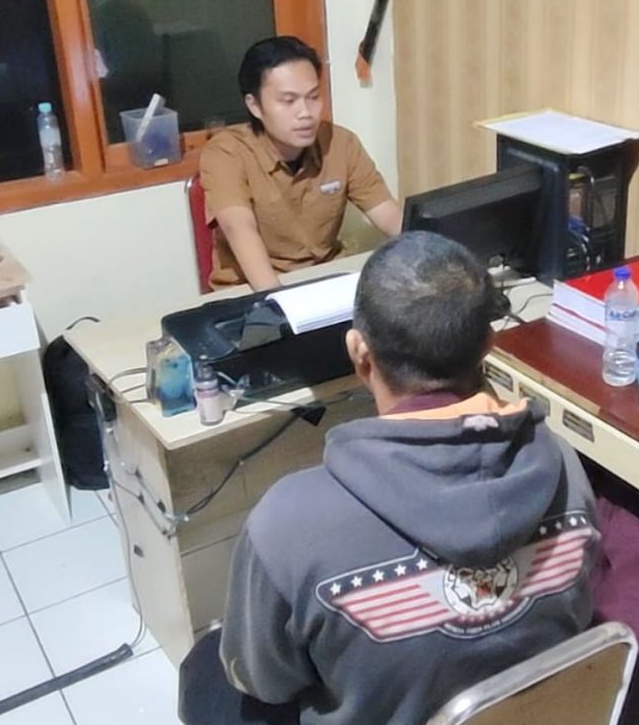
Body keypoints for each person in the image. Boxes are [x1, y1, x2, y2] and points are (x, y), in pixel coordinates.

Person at [178, 231, 599, 725]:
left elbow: (263, 681)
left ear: (359, 352)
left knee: (205, 669)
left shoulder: (287, 523)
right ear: (488, 346)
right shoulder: (563, 465)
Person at [200, 36, 402, 290]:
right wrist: (280, 302)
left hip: (325, 278)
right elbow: (239, 229)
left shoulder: (340, 143)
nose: (305, 113)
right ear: (255, 106)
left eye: (313, 97)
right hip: (251, 289)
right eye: (288, 101)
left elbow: (389, 216)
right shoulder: (226, 153)